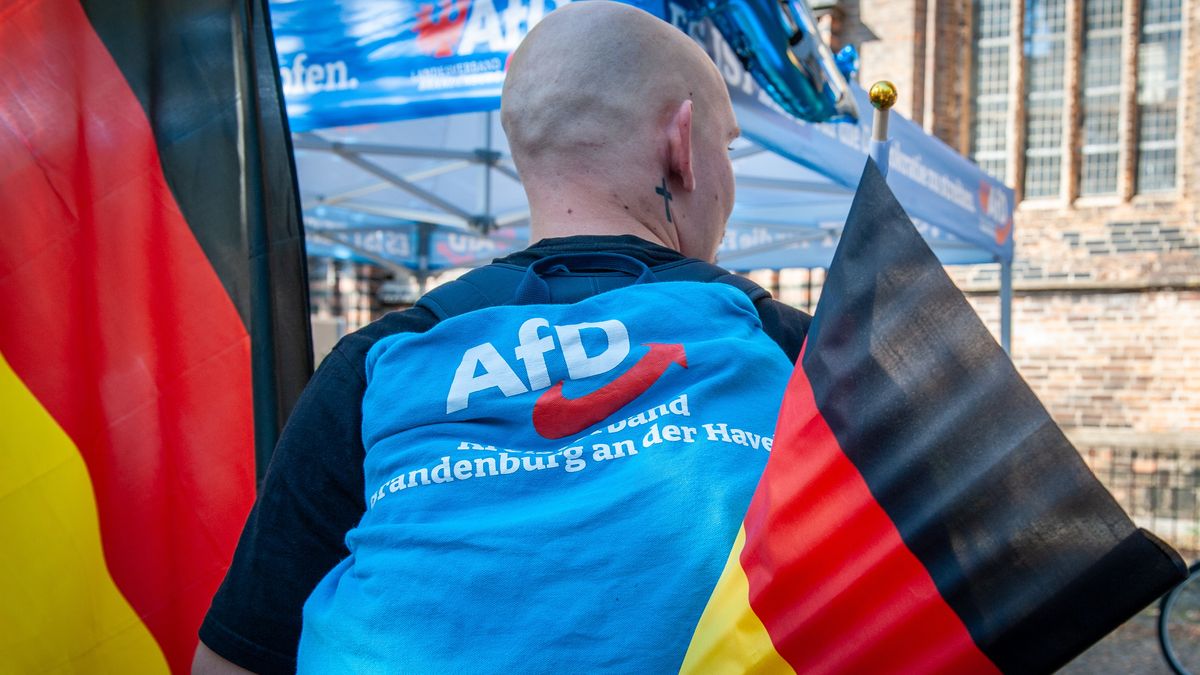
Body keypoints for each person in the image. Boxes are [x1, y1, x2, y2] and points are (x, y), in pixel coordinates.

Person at [193, 2, 811, 672]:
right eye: (726, 145)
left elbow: (233, 657)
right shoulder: (795, 352)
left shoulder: (376, 362)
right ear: (682, 144)